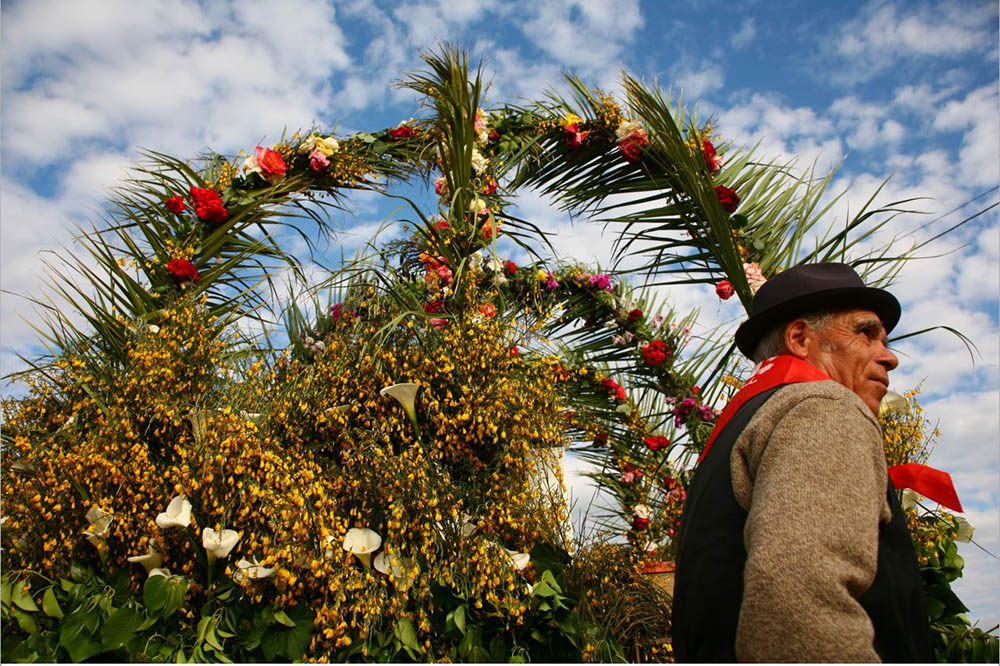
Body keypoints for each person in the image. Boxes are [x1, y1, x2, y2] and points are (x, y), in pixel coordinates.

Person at [671, 262, 933, 662]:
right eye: (866, 333)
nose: (889, 357)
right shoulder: (822, 406)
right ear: (799, 337)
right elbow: (797, 597)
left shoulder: (740, 428)